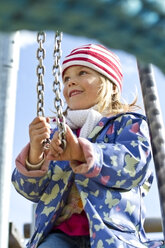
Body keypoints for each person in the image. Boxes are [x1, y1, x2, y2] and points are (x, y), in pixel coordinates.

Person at [12, 44, 163, 248]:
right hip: (59, 236)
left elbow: (133, 166)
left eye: (82, 72)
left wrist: (83, 153)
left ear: (110, 84)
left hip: (113, 234)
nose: (71, 81)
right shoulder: (57, 134)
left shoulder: (127, 124)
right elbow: (30, 191)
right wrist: (35, 155)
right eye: (66, 79)